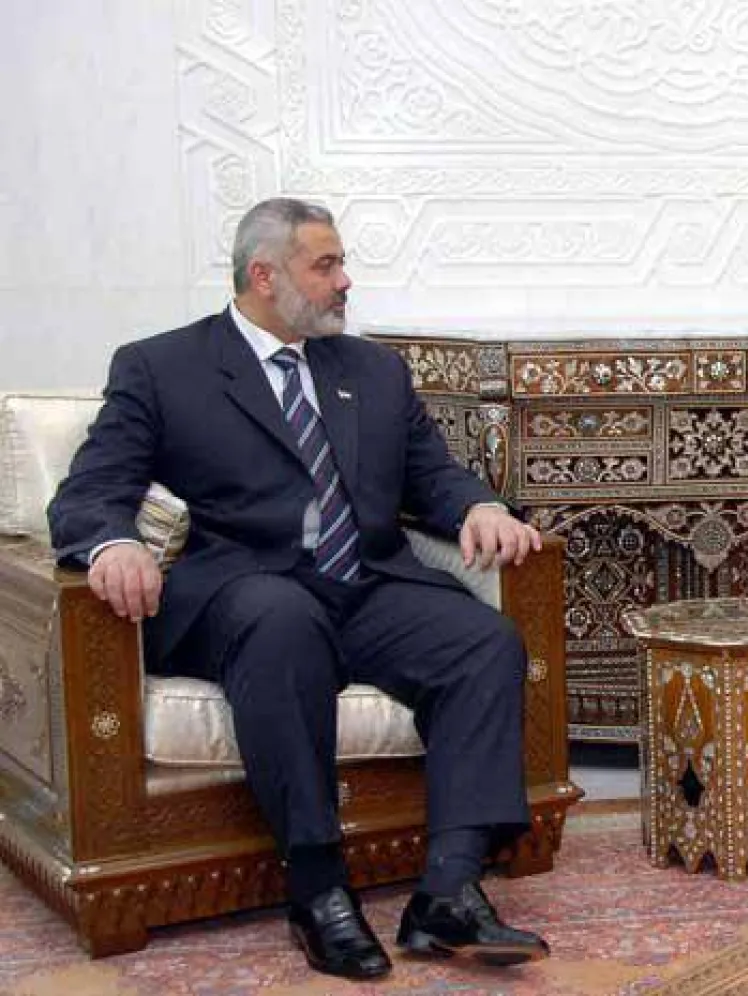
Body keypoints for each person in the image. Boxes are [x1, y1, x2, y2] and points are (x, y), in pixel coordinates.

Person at [48, 197, 550, 980]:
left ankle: (449, 890)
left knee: (482, 642)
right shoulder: (162, 367)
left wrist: (479, 507)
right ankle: (318, 889)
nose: (345, 281)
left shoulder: (373, 371)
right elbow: (89, 491)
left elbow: (432, 475)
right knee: (283, 621)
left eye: (341, 263)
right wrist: (113, 544)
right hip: (245, 590)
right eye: (326, 266)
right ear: (264, 276)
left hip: (365, 584)